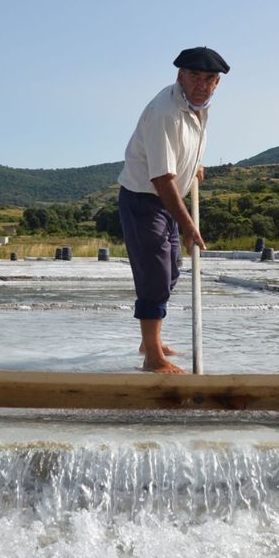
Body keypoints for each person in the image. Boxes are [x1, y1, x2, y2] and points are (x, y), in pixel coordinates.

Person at [117, 46, 230, 374]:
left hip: (166, 200)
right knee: (154, 275)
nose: (202, 84)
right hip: (144, 200)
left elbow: (177, 154)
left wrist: (193, 166)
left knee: (171, 271)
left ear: (217, 84)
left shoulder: (198, 108)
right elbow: (161, 177)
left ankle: (150, 341)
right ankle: (153, 357)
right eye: (194, 76)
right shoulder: (166, 111)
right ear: (180, 75)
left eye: (209, 79)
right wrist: (189, 225)